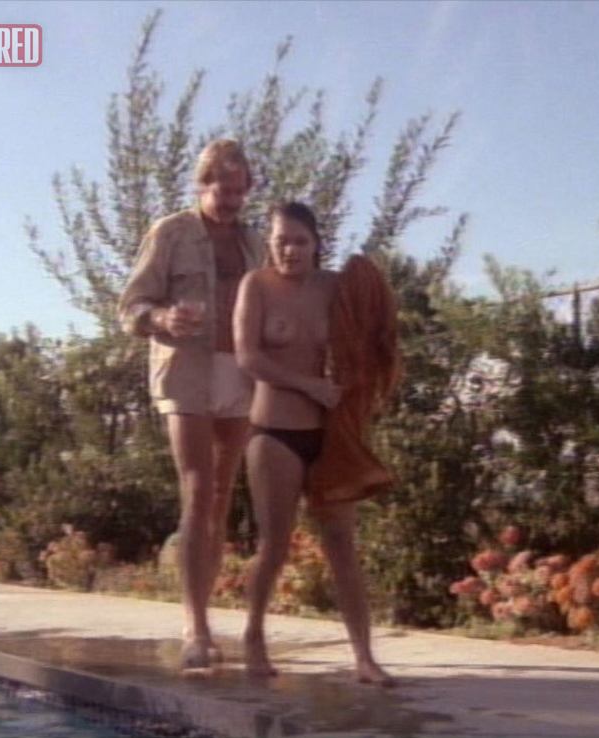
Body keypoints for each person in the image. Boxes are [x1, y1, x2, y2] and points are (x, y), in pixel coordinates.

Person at [233, 201, 399, 685]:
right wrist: (308, 385)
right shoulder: (256, 285)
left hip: (330, 435)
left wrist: (364, 387)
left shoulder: (335, 287)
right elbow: (249, 357)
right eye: (281, 241)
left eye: (300, 241)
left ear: (317, 244)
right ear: (269, 242)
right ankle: (253, 636)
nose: (290, 250)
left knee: (342, 544)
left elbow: (374, 337)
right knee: (275, 544)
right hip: (274, 432)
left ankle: (364, 656)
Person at [118, 140, 265, 671]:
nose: (230, 201)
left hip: (239, 373)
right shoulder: (171, 233)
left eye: (238, 191)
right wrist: (161, 318)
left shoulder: (254, 242)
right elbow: (130, 306)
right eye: (222, 190)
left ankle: (207, 618)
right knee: (198, 491)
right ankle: (194, 627)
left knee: (222, 497)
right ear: (202, 186)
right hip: (186, 372)